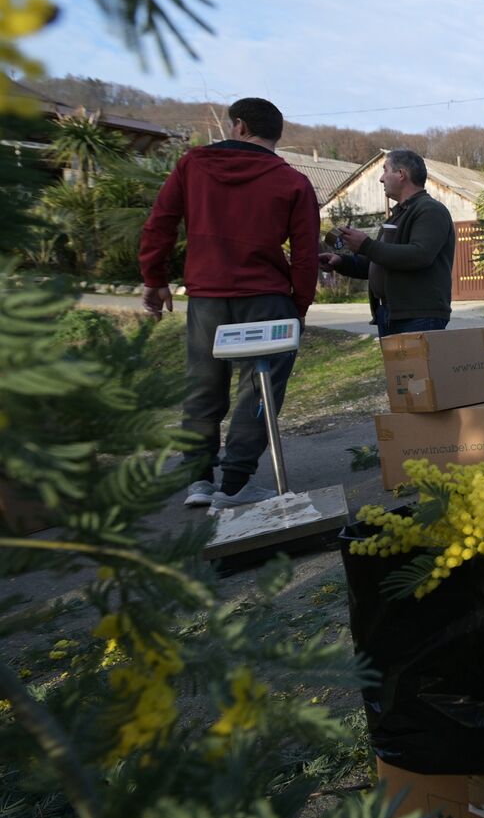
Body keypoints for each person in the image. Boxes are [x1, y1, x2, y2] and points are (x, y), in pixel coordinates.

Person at [140, 97, 320, 510]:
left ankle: (199, 482)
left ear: (238, 126)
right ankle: (236, 484)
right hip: (268, 300)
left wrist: (155, 278)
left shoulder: (193, 165)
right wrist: (300, 306)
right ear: (275, 134)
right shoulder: (293, 182)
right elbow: (306, 254)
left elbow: (160, 223)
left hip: (207, 298)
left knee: (203, 388)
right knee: (260, 391)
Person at [319, 149, 455, 338]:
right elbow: (378, 262)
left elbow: (420, 255)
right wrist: (341, 262)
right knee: (401, 370)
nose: (381, 179)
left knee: (417, 369)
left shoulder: (430, 210)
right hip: (391, 315)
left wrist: (366, 245)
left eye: (385, 170)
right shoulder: (397, 215)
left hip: (419, 315)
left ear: (401, 174)